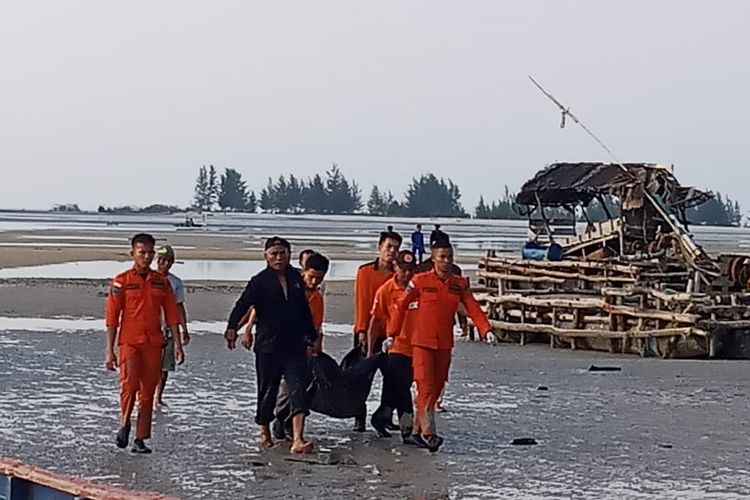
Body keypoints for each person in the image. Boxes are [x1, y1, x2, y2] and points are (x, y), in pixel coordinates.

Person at [388, 239, 496, 452]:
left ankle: (417, 431)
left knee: (436, 389)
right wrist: (392, 334)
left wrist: (486, 329)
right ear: (433, 258)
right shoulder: (419, 281)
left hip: (444, 344)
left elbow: (472, 306)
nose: (446, 262)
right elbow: (400, 306)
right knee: (425, 386)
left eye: (450, 257)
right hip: (421, 343)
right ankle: (430, 434)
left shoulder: (459, 284)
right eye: (442, 257)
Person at [224, 237, 318, 454]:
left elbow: (303, 309)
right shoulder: (259, 281)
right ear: (265, 256)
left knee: (298, 390)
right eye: (274, 253)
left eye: (282, 253)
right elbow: (243, 304)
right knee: (267, 390)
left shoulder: (296, 277)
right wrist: (232, 327)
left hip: (294, 345)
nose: (278, 257)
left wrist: (311, 336)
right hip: (268, 346)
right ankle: (264, 430)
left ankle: (298, 439)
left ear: (289, 254)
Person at [105, 233, 185, 454]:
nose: (147, 257)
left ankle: (140, 438)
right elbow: (112, 318)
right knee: (129, 385)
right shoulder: (121, 281)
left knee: (148, 391)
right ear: (133, 253)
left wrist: (178, 344)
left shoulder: (161, 282)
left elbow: (172, 316)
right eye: (143, 252)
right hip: (129, 342)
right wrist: (109, 351)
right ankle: (124, 423)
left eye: (150, 252)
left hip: (153, 343)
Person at [351, 230, 402, 431]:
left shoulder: (399, 275)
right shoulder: (365, 272)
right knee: (362, 376)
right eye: (388, 247)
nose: (392, 251)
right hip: (366, 330)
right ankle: (358, 416)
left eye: (396, 248)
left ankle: (385, 415)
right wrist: (362, 330)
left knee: (393, 377)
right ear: (379, 248)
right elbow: (361, 303)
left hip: (391, 334)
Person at [368, 250, 418, 442]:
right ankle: (408, 429)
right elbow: (376, 321)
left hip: (419, 345)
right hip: (396, 346)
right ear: (396, 267)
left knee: (395, 386)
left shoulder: (420, 287)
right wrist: (371, 350)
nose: (407, 274)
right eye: (403, 269)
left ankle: (382, 415)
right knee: (403, 386)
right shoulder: (385, 291)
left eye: (410, 270)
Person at [153, 245, 190, 409]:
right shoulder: (149, 278)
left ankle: (158, 396)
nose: (164, 263)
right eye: (162, 260)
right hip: (150, 329)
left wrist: (184, 329)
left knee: (165, 366)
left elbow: (179, 306)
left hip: (168, 330)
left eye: (168, 260)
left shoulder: (175, 282)